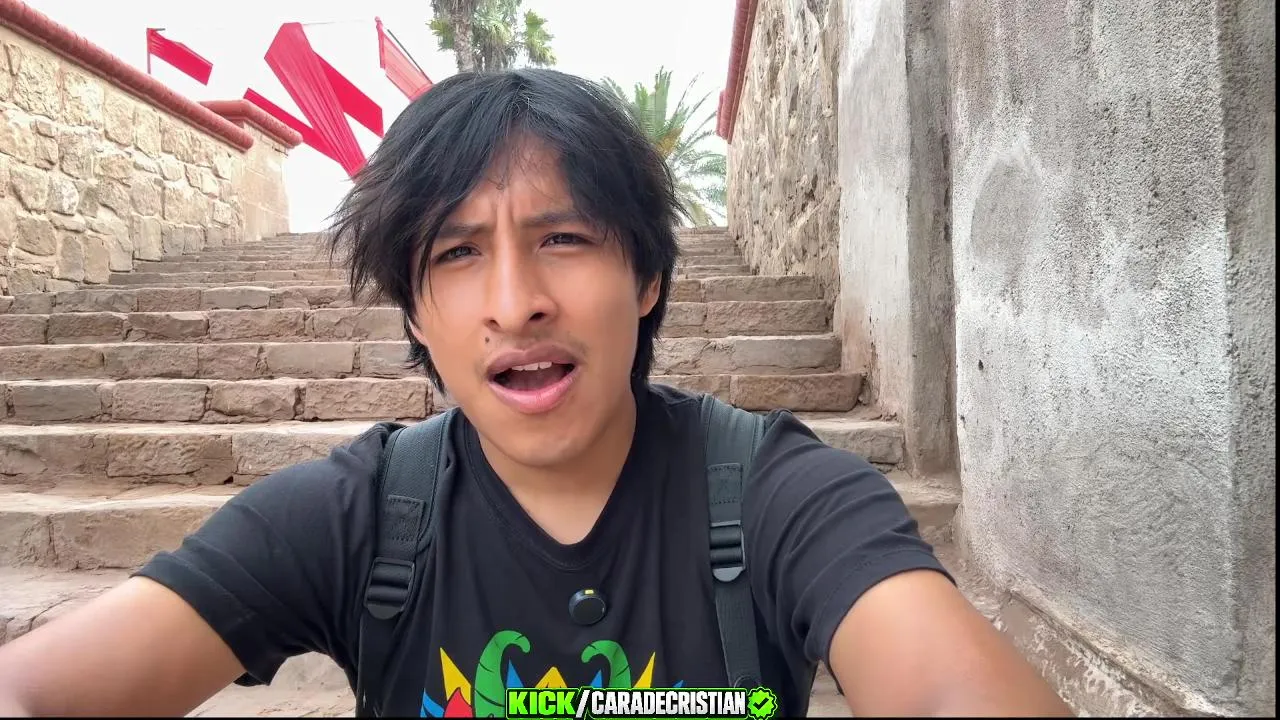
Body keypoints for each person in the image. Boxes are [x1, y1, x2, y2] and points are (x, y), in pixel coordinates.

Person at [0, 68, 1071, 718]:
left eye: (563, 238)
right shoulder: (351, 516)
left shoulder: (784, 497)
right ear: (414, 315)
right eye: (458, 253)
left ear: (646, 278)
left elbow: (946, 686)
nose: (515, 304)